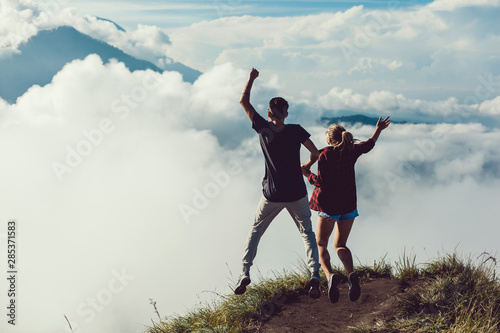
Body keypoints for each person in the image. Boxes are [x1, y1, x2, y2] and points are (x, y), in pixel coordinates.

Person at [234, 68, 323, 298]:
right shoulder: (296, 131)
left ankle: (245, 272)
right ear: (286, 113)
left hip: (272, 194)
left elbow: (243, 100)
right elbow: (317, 153)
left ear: (269, 113)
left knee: (255, 231)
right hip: (296, 192)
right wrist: (307, 166)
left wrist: (251, 79)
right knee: (307, 233)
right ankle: (315, 274)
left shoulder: (262, 128)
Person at [301, 116, 390, 303]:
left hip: (329, 206)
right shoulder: (351, 150)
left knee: (321, 244)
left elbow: (321, 181)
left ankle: (330, 276)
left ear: (329, 138)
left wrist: (308, 174)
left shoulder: (324, 155)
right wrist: (378, 129)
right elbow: (369, 144)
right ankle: (351, 275)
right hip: (348, 205)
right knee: (340, 244)